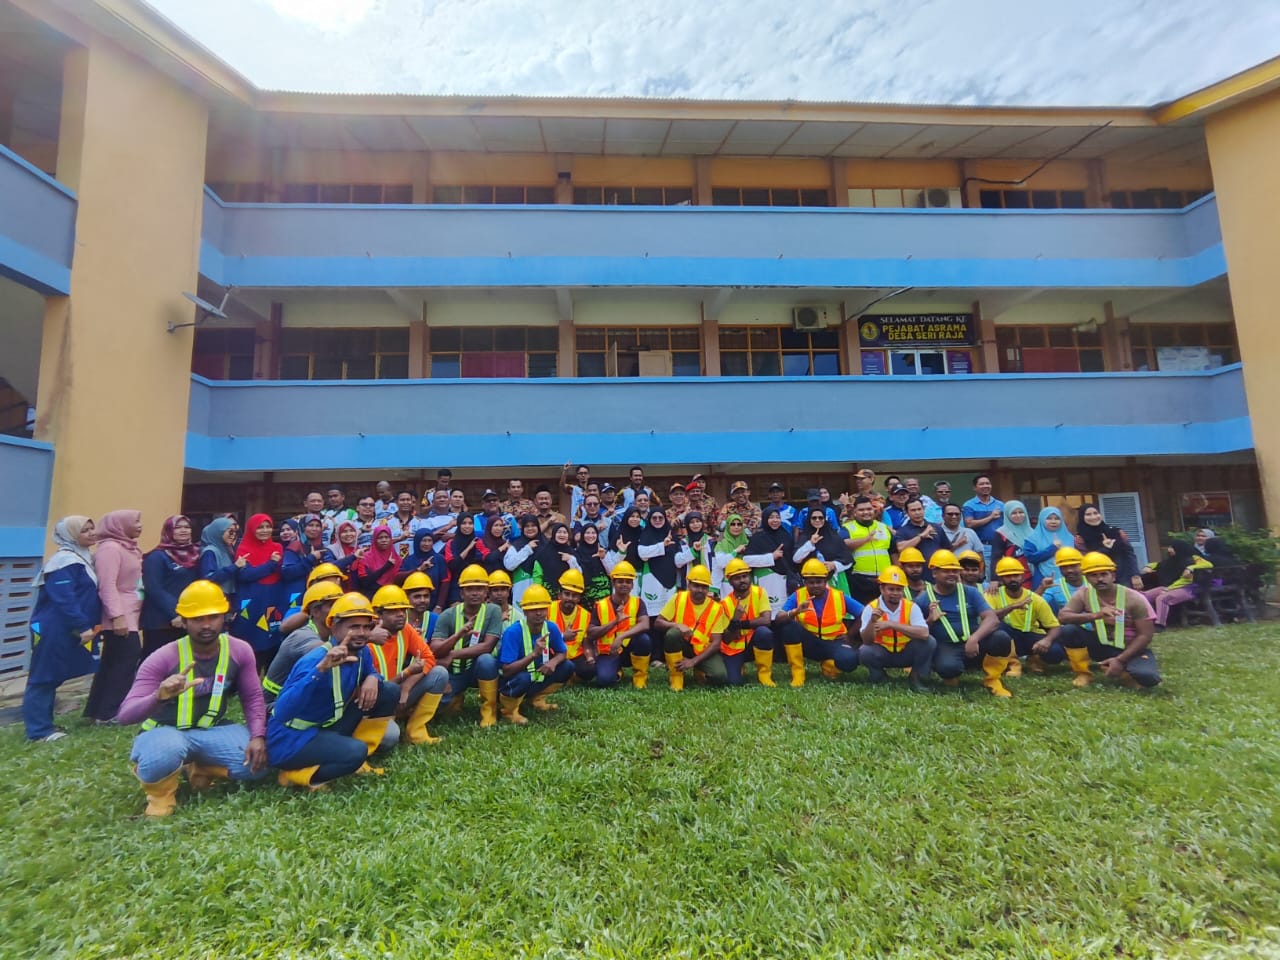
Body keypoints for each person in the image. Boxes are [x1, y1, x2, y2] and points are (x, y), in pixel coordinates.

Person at [117, 581, 269, 815]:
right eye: (198, 619)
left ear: (224, 617)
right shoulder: (162, 658)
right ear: (184, 621)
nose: (206, 625)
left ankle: (201, 768)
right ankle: (160, 795)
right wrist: (158, 696)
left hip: (211, 731)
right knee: (165, 753)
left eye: (213, 617)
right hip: (164, 732)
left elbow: (252, 698)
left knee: (259, 764)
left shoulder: (239, 650)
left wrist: (257, 736)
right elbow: (125, 716)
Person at [269, 592, 400, 790]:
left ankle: (355, 760)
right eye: (354, 626)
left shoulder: (361, 650)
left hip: (327, 725)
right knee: (356, 751)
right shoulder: (315, 660)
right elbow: (282, 712)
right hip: (293, 738)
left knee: (388, 690)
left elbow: (371, 671)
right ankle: (296, 775)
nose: (362, 633)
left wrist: (373, 678)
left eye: (366, 627)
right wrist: (321, 670)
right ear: (334, 626)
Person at [23, 517, 101, 742]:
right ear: (70, 536)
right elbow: (64, 599)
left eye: (91, 528)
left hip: (64, 628)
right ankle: (38, 731)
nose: (91, 533)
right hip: (51, 627)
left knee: (53, 676)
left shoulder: (80, 558)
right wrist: (82, 625)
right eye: (84, 530)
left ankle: (45, 725)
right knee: (42, 678)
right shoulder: (63, 562)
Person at [918, 549, 1015, 697]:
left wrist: (974, 638)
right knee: (948, 668)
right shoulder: (923, 598)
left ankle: (993, 679)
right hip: (947, 645)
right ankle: (952, 673)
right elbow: (917, 630)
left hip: (974, 642)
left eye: (955, 570)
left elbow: (992, 619)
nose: (952, 574)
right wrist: (929, 620)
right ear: (934, 573)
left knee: (1001, 638)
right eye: (946, 570)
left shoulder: (970, 592)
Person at [1058, 552, 1160, 688]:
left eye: (1103, 574)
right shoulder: (1083, 594)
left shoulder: (1134, 598)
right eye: (1093, 575)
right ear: (1086, 578)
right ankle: (1083, 673)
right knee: (1069, 631)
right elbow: (1063, 617)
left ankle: (1124, 671)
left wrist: (1119, 660)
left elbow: (1145, 635)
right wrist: (1096, 615)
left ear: (1113, 576)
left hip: (1130, 648)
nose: (1099, 579)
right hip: (1100, 645)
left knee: (1148, 678)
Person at [368, 584, 450, 745]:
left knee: (439, 673)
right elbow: (373, 692)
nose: (400, 615)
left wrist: (406, 687)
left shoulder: (405, 629)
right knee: (390, 738)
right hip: (375, 703)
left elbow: (428, 657)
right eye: (393, 611)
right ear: (378, 614)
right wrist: (406, 674)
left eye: (403, 610)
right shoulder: (367, 641)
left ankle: (416, 731)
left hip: (397, 691)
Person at [84, 509, 145, 724]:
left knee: (112, 662)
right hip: (119, 614)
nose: (139, 525)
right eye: (135, 521)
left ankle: (96, 711)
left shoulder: (127, 547)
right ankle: (110, 712)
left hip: (130, 612)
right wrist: (117, 616)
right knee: (125, 662)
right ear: (119, 524)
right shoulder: (110, 549)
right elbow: (107, 585)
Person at [431, 564, 502, 727]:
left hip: (476, 668)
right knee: (441, 706)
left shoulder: (493, 611)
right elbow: (436, 650)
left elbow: (487, 647)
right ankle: (456, 696)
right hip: (453, 672)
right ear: (461, 593)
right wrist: (457, 636)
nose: (475, 593)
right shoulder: (447, 615)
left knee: (487, 660)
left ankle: (489, 711)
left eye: (479, 588)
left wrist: (452, 654)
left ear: (486, 592)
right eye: (469, 589)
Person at [773, 557, 864, 686]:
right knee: (789, 627)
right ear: (805, 582)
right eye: (811, 582)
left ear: (826, 580)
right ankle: (798, 673)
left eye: (819, 581)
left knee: (850, 660)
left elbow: (864, 613)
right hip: (809, 642)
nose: (815, 585)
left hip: (833, 642)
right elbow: (778, 618)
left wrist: (850, 635)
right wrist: (795, 612)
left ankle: (828, 664)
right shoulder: (798, 595)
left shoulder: (839, 596)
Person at [495, 584, 575, 722]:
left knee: (568, 666)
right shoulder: (513, 632)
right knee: (524, 678)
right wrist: (533, 654)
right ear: (525, 611)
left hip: (536, 675)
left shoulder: (551, 627)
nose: (538, 613)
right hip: (511, 681)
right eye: (533, 610)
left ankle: (537, 699)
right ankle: (508, 710)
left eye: (542, 609)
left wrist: (552, 663)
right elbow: (506, 670)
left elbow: (562, 652)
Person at [262, 580, 343, 707]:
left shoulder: (330, 632)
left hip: (295, 696)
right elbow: (321, 651)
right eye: (332, 606)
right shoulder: (302, 635)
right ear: (315, 612)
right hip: (274, 703)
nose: (338, 611)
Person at [857, 565, 935, 693]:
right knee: (865, 651)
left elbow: (924, 633)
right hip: (882, 653)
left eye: (899, 589)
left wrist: (891, 624)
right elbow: (866, 641)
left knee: (929, 642)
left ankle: (916, 678)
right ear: (882, 589)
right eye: (891, 589)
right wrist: (872, 622)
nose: (895, 593)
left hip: (905, 652)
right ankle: (879, 675)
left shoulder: (911, 607)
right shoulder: (871, 608)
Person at [652, 565, 729, 689]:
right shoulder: (678, 598)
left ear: (708, 588)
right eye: (696, 585)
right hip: (683, 645)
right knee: (673, 633)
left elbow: (716, 643)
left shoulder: (716, 608)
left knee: (720, 677)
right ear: (689, 585)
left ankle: (699, 670)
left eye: (704, 587)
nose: (700, 590)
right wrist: (677, 625)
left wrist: (693, 662)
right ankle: (676, 677)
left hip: (704, 650)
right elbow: (658, 623)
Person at [986, 556, 1064, 676]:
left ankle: (1034, 659)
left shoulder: (1035, 598)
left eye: (1016, 575)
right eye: (1008, 576)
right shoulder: (992, 595)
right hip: (1008, 638)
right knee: (997, 627)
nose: (1012, 579)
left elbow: (1055, 626)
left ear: (1022, 576)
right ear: (1001, 578)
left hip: (1030, 638)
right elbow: (987, 618)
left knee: (1056, 652)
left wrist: (1047, 641)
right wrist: (1013, 606)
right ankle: (1013, 664)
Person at [140, 515, 201, 659]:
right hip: (161, 621)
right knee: (157, 664)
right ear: (168, 531)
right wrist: (175, 612)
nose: (183, 531)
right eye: (178, 527)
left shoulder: (195, 554)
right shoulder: (157, 556)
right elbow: (154, 588)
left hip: (186, 619)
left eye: (187, 527)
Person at [229, 512, 284, 669]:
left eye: (268, 527)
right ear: (252, 529)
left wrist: (266, 567)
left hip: (272, 597)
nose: (265, 530)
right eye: (260, 527)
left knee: (271, 640)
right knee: (250, 641)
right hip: (252, 599)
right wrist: (270, 564)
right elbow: (245, 575)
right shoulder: (243, 548)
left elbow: (279, 573)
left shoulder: (277, 547)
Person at [586, 560, 652, 688]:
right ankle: (617, 671)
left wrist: (621, 637)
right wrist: (614, 621)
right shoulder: (600, 605)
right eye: (620, 581)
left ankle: (640, 676)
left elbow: (645, 625)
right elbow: (591, 633)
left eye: (628, 581)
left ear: (632, 585)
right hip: (609, 651)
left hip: (629, 649)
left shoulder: (638, 602)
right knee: (604, 681)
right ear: (613, 583)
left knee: (644, 640)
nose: (624, 584)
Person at [718, 557, 777, 686]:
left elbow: (766, 620)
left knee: (764, 632)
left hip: (754, 643)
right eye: (737, 578)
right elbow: (726, 639)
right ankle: (739, 668)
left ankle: (764, 675)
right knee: (733, 682)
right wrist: (735, 620)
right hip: (735, 648)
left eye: (744, 576)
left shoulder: (760, 592)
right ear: (730, 581)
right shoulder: (725, 604)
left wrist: (741, 624)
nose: (742, 580)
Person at [1143, 541, 1213, 629]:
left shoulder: (1192, 559)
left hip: (1188, 588)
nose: (1168, 550)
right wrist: (1148, 566)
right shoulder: (1171, 561)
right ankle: (1144, 621)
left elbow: (1208, 565)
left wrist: (1190, 568)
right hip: (1170, 587)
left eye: (1171, 548)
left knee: (1163, 598)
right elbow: (1157, 564)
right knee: (1143, 596)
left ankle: (1159, 624)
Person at [741, 507, 800, 612]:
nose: (775, 520)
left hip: (785, 580)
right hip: (766, 580)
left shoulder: (786, 536)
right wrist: (771, 557)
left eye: (777, 517)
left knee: (784, 612)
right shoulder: (758, 538)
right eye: (771, 517)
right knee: (767, 612)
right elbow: (747, 560)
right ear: (765, 519)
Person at [842, 496, 896, 604]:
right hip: (859, 581)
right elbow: (843, 544)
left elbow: (893, 552)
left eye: (869, 509)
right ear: (855, 512)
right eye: (861, 510)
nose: (866, 512)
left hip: (884, 580)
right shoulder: (847, 528)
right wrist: (866, 539)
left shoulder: (883, 527)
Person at [1075, 505, 1143, 588]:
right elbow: (1086, 560)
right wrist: (1105, 549)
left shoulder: (1116, 532)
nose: (1093, 517)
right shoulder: (1080, 539)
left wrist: (1135, 575)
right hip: (1099, 581)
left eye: (1096, 513)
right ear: (1082, 517)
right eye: (1088, 514)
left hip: (1124, 579)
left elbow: (1129, 554)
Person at [792, 505, 854, 596]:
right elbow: (796, 559)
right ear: (809, 519)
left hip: (833, 581)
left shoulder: (834, 537)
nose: (817, 520)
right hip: (811, 583)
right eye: (814, 518)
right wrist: (811, 544)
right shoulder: (804, 537)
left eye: (821, 518)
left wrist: (834, 565)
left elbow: (848, 560)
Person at [636, 508, 685, 618]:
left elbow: (678, 557)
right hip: (652, 577)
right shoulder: (645, 534)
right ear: (650, 519)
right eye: (654, 518)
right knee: (652, 614)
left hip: (670, 577)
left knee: (669, 614)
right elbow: (642, 554)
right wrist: (662, 545)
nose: (657, 520)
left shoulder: (671, 534)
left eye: (660, 517)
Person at [550, 569, 595, 684]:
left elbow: (586, 641)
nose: (570, 598)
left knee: (590, 670)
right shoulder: (548, 609)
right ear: (560, 595)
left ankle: (570, 675)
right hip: (552, 654)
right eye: (567, 594)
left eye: (574, 595)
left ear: (579, 598)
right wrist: (562, 636)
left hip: (575, 655)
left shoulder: (586, 615)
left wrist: (589, 656)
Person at [442, 514, 488, 605]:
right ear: (459, 525)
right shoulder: (451, 543)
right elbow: (453, 565)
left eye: (470, 523)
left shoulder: (478, 541)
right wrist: (468, 548)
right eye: (464, 523)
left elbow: (488, 558)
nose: (467, 526)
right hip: (457, 585)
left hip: (477, 584)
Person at [962, 474, 1004, 566]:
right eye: (981, 484)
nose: (985, 486)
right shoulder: (969, 505)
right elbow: (969, 524)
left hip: (1001, 547)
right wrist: (990, 517)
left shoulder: (1000, 505)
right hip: (982, 547)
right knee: (986, 576)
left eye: (987, 483)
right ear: (974, 488)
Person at [990, 499, 1034, 586]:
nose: (1018, 515)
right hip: (1011, 576)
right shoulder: (1001, 533)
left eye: (1021, 512)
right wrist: (994, 579)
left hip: (1032, 575)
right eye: (1013, 513)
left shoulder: (1032, 532)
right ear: (1007, 515)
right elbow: (996, 558)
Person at [892, 498, 944, 568]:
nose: (917, 513)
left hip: (936, 572)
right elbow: (900, 548)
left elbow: (947, 548)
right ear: (907, 512)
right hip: (915, 574)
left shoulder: (936, 527)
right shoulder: (902, 531)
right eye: (913, 510)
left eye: (919, 509)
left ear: (924, 509)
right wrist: (921, 536)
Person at [353, 524, 402, 597]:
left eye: (386, 537)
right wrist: (386, 566)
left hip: (393, 596)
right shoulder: (365, 558)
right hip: (372, 596)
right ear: (374, 540)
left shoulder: (397, 559)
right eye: (380, 538)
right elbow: (365, 582)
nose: (384, 540)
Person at [1023, 506, 1068, 584]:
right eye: (1049, 518)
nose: (1053, 521)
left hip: (1068, 579)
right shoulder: (1033, 538)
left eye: (1057, 518)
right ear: (1042, 519)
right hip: (1042, 579)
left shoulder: (1069, 537)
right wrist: (1052, 549)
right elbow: (1030, 558)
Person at [197, 517, 240, 599]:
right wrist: (235, 566)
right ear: (219, 532)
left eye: (235, 532)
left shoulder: (227, 550)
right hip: (214, 598)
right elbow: (209, 578)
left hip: (227, 597)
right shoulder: (210, 551)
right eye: (230, 531)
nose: (233, 534)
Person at [533, 522, 578, 597]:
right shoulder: (543, 553)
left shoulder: (573, 553)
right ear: (554, 534)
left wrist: (570, 560)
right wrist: (538, 592)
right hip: (548, 595)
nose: (562, 535)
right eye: (559, 532)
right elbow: (537, 576)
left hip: (568, 596)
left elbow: (578, 574)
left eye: (565, 532)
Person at [1042, 546, 1085, 614]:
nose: (1069, 570)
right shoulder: (1055, 585)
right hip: (1072, 623)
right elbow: (1034, 606)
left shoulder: (1092, 581)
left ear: (1081, 565)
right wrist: (1041, 588)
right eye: (1064, 567)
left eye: (1073, 566)